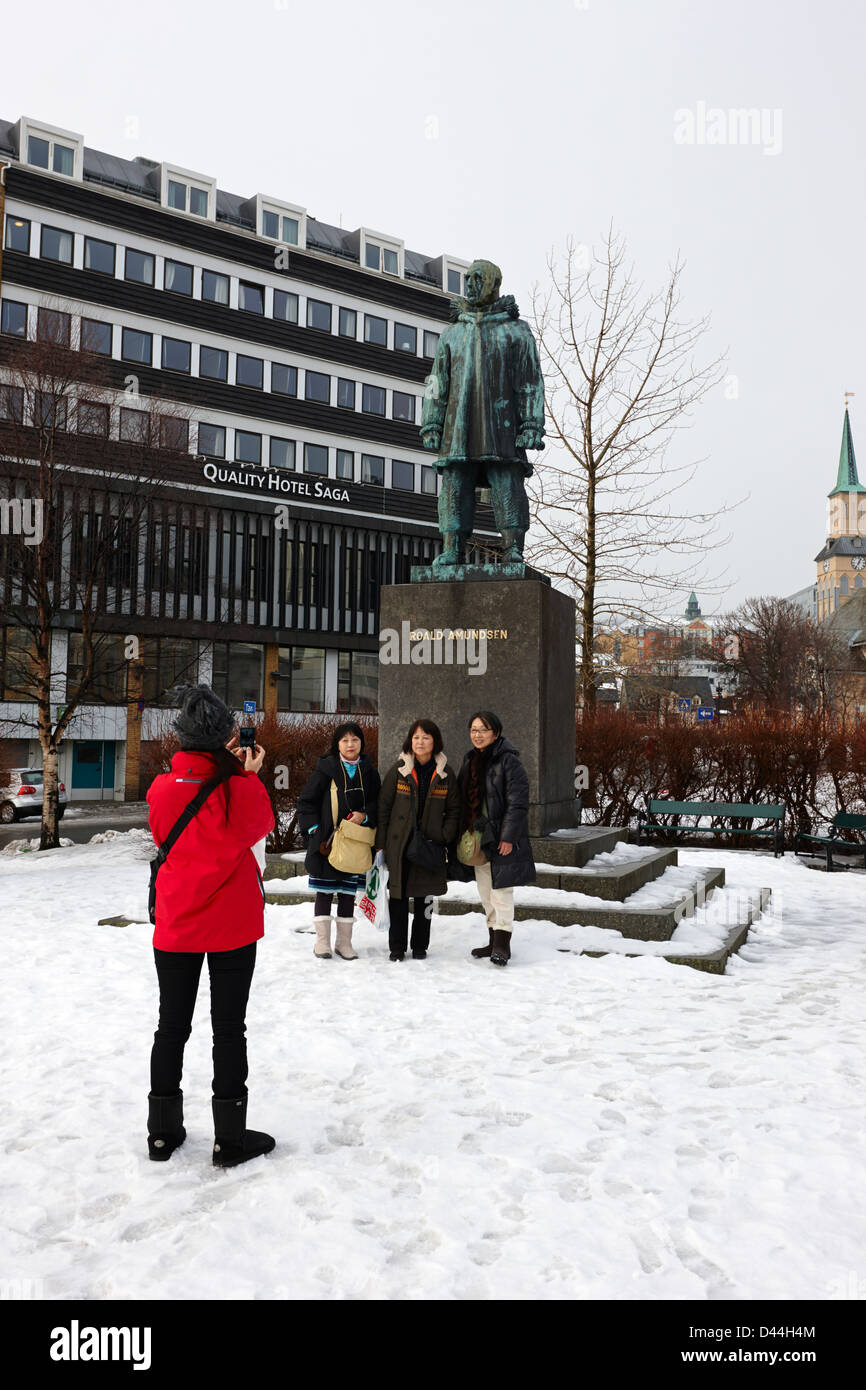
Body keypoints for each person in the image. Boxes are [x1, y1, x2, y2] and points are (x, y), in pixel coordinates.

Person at [146, 684, 276, 1168]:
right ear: (226, 739)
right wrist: (249, 773)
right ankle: (230, 1139)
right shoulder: (239, 788)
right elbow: (258, 827)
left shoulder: (160, 788)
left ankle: (162, 1134)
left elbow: (166, 837)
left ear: (181, 738)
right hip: (233, 926)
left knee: (170, 1027)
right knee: (229, 1030)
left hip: (177, 922)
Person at [454, 710, 536, 967]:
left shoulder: (509, 761)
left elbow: (518, 802)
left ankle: (502, 943)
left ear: (496, 733)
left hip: (500, 836)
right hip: (479, 836)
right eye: (473, 730)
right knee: (485, 890)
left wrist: (509, 836)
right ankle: (492, 938)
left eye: (483, 730)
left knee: (501, 891)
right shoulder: (470, 760)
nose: (477, 735)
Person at [376, 719, 461, 961]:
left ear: (435, 741)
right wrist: (381, 844)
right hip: (399, 845)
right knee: (398, 896)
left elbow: (455, 809)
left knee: (425, 898)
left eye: (425, 737)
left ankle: (421, 946)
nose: (420, 742)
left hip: (430, 844)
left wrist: (444, 835)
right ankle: (397, 947)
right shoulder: (399, 769)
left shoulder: (445, 773)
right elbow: (384, 807)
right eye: (416, 737)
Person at [296, 722, 381, 961]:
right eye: (344, 740)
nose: (350, 744)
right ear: (337, 744)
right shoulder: (326, 769)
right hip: (327, 843)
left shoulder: (369, 772)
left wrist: (366, 816)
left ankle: (344, 943)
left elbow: (378, 803)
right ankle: (321, 942)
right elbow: (306, 802)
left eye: (355, 739)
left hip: (355, 844)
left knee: (347, 893)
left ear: (361, 743)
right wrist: (313, 830)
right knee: (323, 892)